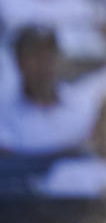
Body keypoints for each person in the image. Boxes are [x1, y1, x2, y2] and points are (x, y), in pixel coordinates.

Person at [0, 24, 100, 156]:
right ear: (19, 62)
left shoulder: (82, 102)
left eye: (49, 55)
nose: (43, 63)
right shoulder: (4, 112)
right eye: (34, 56)